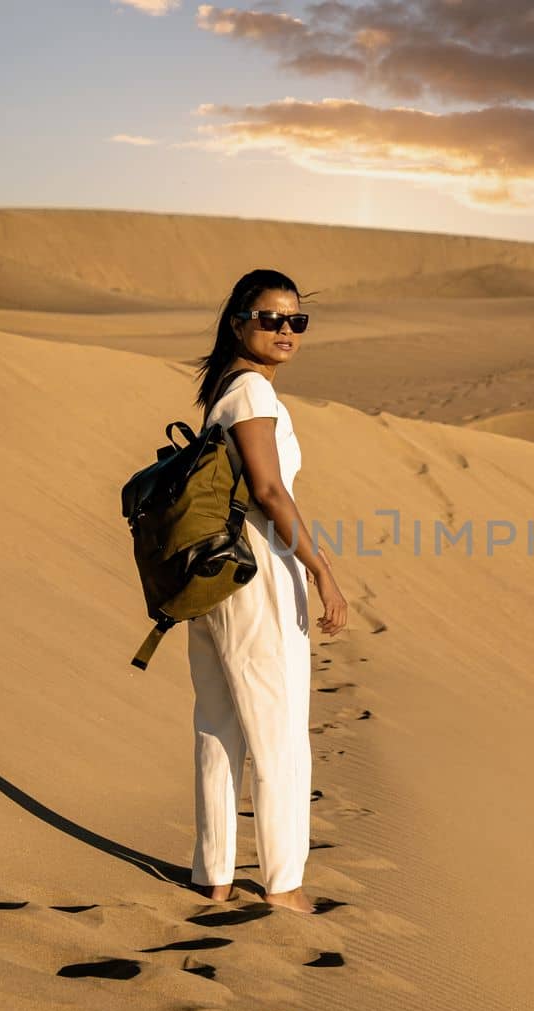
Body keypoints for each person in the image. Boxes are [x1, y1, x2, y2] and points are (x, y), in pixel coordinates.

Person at [186, 268, 348, 914]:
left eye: (296, 321)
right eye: (270, 318)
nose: (285, 330)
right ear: (238, 323)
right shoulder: (250, 391)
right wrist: (321, 567)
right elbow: (269, 490)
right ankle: (284, 884)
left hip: (215, 577)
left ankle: (214, 875)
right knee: (278, 731)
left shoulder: (227, 389)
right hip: (254, 575)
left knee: (219, 724)